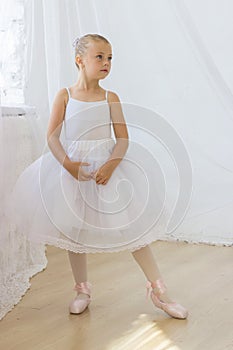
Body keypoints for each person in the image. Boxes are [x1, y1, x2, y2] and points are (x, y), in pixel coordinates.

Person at [5, 33, 188, 319]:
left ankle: (159, 292)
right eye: (99, 57)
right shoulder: (65, 95)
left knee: (132, 231)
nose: (106, 62)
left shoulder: (110, 97)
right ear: (80, 61)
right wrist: (69, 165)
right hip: (73, 172)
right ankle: (82, 290)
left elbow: (123, 139)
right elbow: (52, 136)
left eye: (110, 57)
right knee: (73, 231)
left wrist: (112, 164)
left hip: (106, 172)